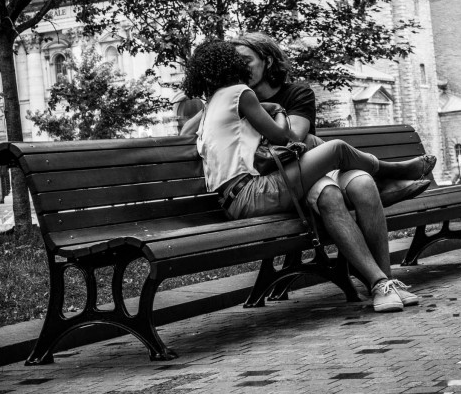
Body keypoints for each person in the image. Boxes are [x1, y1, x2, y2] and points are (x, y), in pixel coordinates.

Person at [182, 39, 436, 313]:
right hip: (254, 191)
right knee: (335, 154)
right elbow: (288, 137)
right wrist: (277, 111)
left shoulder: (223, 101)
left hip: (246, 191)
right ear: (228, 65)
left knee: (346, 169)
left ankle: (385, 283)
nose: (243, 64)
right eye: (238, 60)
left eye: (247, 58)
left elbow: (295, 140)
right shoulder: (239, 94)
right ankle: (393, 172)